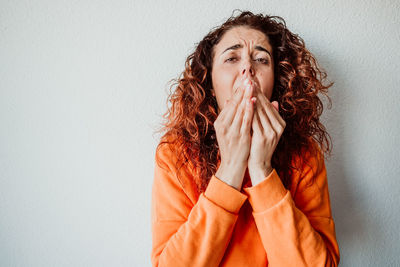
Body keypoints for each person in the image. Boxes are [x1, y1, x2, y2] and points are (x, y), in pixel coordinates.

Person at [151, 10, 340, 267]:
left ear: (277, 81)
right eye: (231, 58)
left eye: (261, 59)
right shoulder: (175, 153)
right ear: (209, 82)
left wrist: (262, 171)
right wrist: (230, 169)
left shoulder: (305, 154)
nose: (247, 68)